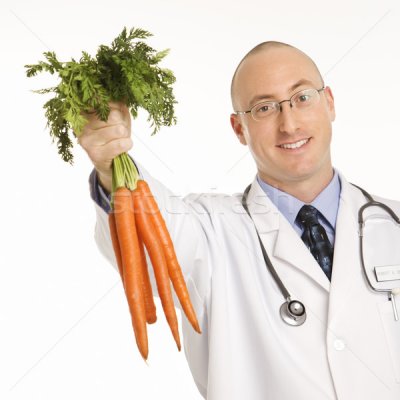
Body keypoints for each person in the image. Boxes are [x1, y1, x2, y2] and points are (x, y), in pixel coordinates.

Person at [79, 42, 400, 399]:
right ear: (239, 128)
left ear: (330, 103)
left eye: (302, 97)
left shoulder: (394, 224)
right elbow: (151, 235)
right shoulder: (209, 231)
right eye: (264, 108)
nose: (289, 123)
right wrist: (112, 167)